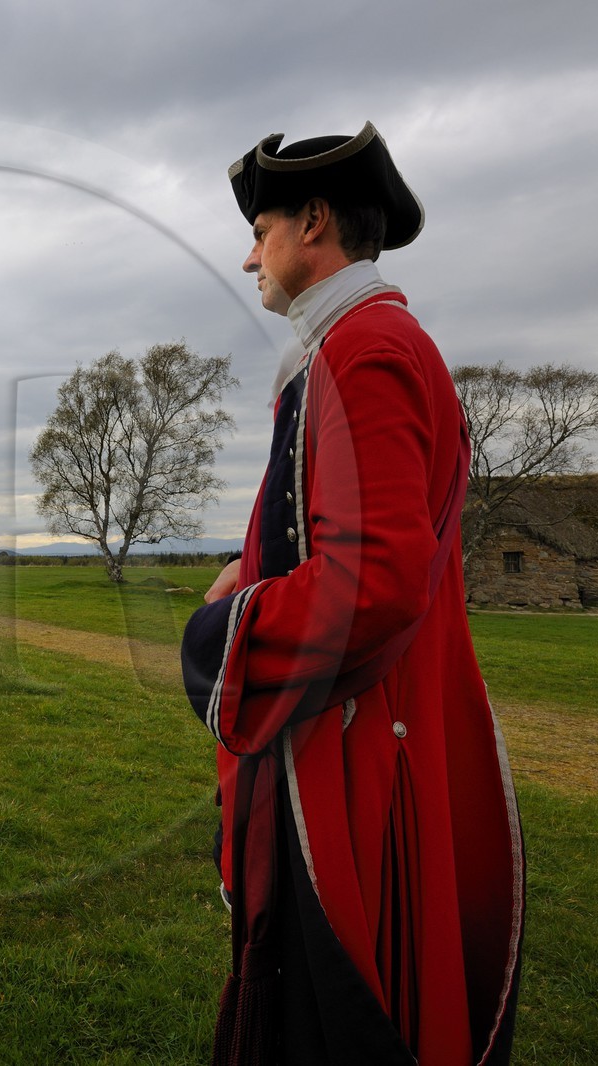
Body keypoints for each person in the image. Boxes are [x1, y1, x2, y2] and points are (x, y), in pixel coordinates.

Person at [182, 123, 525, 1064]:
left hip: (356, 752)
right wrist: (253, 570)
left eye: (260, 231)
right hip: (366, 728)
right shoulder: (362, 343)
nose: (249, 256)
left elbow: (372, 585)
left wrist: (219, 634)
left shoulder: (363, 351)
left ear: (314, 222)